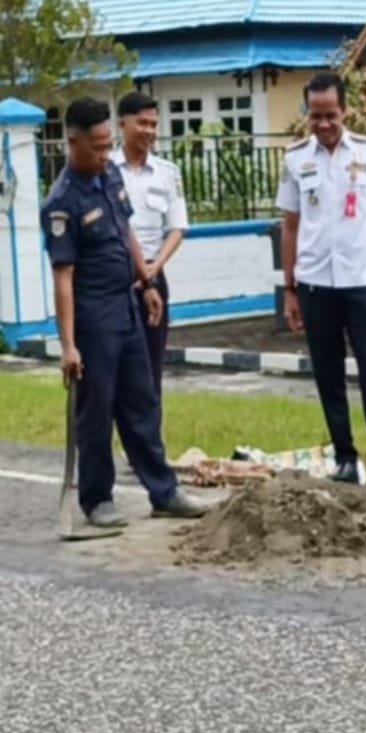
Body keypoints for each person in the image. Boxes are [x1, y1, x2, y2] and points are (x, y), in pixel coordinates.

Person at [40, 97, 207, 528]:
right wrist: (69, 345)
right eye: (95, 147)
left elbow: (127, 229)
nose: (103, 154)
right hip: (94, 319)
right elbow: (63, 278)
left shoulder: (108, 174)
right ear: (71, 142)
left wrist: (147, 282)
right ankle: (97, 500)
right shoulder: (61, 203)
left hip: (128, 304)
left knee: (141, 402)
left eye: (106, 144)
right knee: (97, 409)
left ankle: (164, 491)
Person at [276, 71, 366, 484]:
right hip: (315, 284)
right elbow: (290, 226)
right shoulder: (295, 159)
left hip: (362, 282)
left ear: (344, 110)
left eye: (330, 114)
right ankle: (346, 459)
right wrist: (290, 288)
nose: (324, 124)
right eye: (316, 116)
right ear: (307, 115)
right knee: (327, 374)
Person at [112, 91, 189, 395]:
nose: (149, 131)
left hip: (154, 278)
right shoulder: (106, 172)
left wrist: (153, 268)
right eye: (141, 123)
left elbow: (177, 228)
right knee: (115, 369)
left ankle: (150, 439)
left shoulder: (167, 173)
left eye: (153, 124)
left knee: (151, 368)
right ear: (123, 124)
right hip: (116, 277)